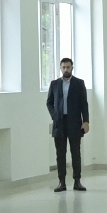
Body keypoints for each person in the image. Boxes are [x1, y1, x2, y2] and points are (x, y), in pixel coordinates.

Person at [46, 57, 90, 190]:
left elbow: (84, 104)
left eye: (68, 67)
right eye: (64, 67)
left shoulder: (79, 83)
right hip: (59, 123)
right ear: (60, 68)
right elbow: (49, 102)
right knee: (60, 154)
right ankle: (62, 182)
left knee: (75, 153)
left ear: (72, 68)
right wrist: (54, 115)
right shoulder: (54, 84)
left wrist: (86, 121)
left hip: (75, 122)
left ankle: (77, 181)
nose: (66, 69)